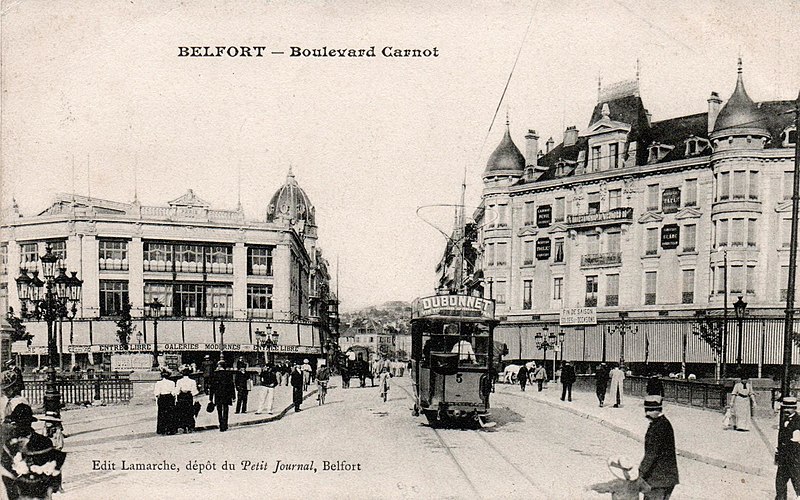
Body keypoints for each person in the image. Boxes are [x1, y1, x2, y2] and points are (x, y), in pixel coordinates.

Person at [1, 404, 66, 500]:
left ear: (30, 422)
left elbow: (54, 467)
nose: (21, 426)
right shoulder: (10, 444)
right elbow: (5, 470)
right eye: (19, 422)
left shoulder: (44, 442)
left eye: (25, 422)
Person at [639, 395, 679, 500]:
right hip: (667, 479)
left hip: (657, 480)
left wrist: (640, 473)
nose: (646, 414)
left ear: (656, 411)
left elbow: (651, 454)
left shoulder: (657, 427)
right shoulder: (664, 423)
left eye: (648, 411)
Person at [776, 396, 800, 499]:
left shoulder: (798, 421)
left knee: (797, 481)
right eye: (784, 408)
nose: (786, 410)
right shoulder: (785, 419)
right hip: (783, 457)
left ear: (794, 408)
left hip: (794, 458)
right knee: (780, 482)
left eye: (788, 408)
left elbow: (795, 442)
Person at [208, 360, 235, 432]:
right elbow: (231, 385)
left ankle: (221, 425)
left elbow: (212, 387)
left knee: (219, 410)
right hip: (226, 394)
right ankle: (225, 425)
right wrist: (233, 396)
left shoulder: (214, 374)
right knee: (226, 409)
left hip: (218, 394)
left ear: (219, 366)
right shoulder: (228, 374)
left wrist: (210, 397)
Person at [174, 366, 199, 433]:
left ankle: (183, 426)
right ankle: (190, 426)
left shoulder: (179, 381)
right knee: (189, 411)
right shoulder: (192, 381)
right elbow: (194, 391)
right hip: (188, 396)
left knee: (182, 411)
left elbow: (177, 391)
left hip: (182, 396)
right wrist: (195, 399)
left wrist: (176, 397)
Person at [153, 369, 176, 435]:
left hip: (162, 398)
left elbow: (156, 393)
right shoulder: (172, 383)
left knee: (162, 413)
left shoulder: (158, 383)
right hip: (169, 397)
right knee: (170, 413)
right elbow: (173, 393)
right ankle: (170, 429)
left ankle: (162, 429)